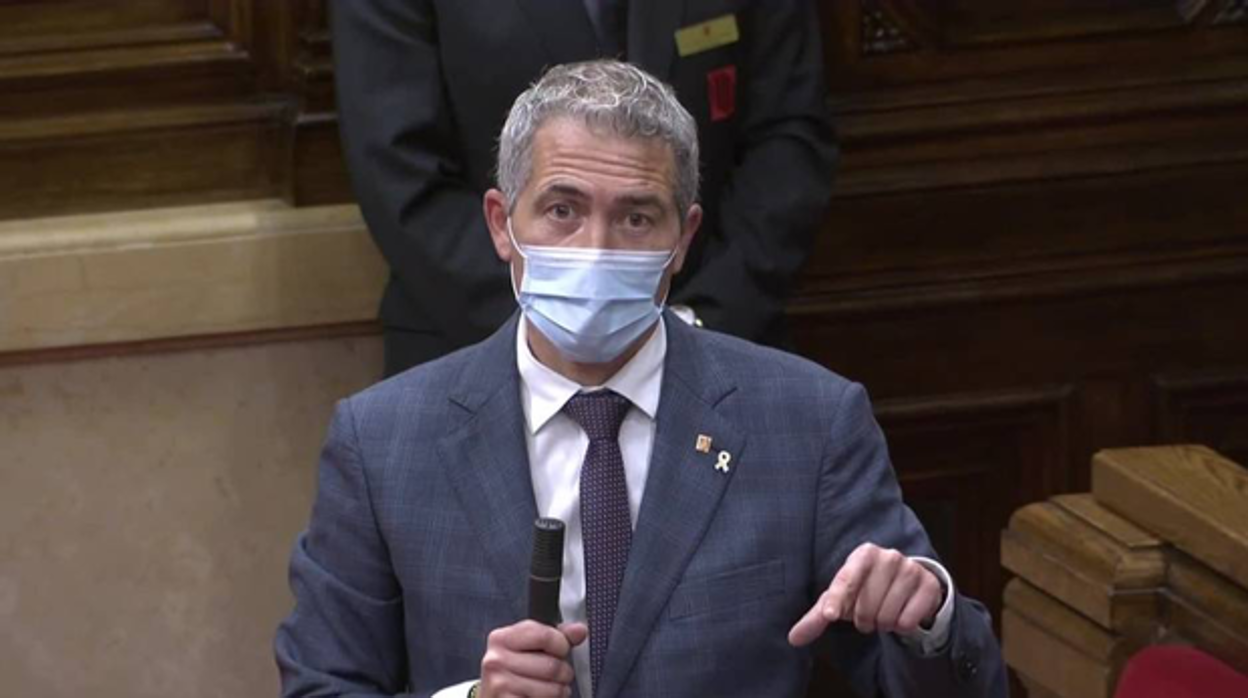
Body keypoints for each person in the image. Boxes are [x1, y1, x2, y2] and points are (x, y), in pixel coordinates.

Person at [276, 61, 1005, 698]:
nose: (595, 249)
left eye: (635, 218)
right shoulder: (383, 441)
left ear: (683, 239)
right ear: (502, 224)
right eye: (562, 211)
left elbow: (956, 683)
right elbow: (322, 685)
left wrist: (928, 617)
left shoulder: (809, 422)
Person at [330, 0, 837, 376]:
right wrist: (556, 328)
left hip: (718, 345)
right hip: (474, 349)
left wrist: (695, 324)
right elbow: (400, 171)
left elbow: (788, 137)